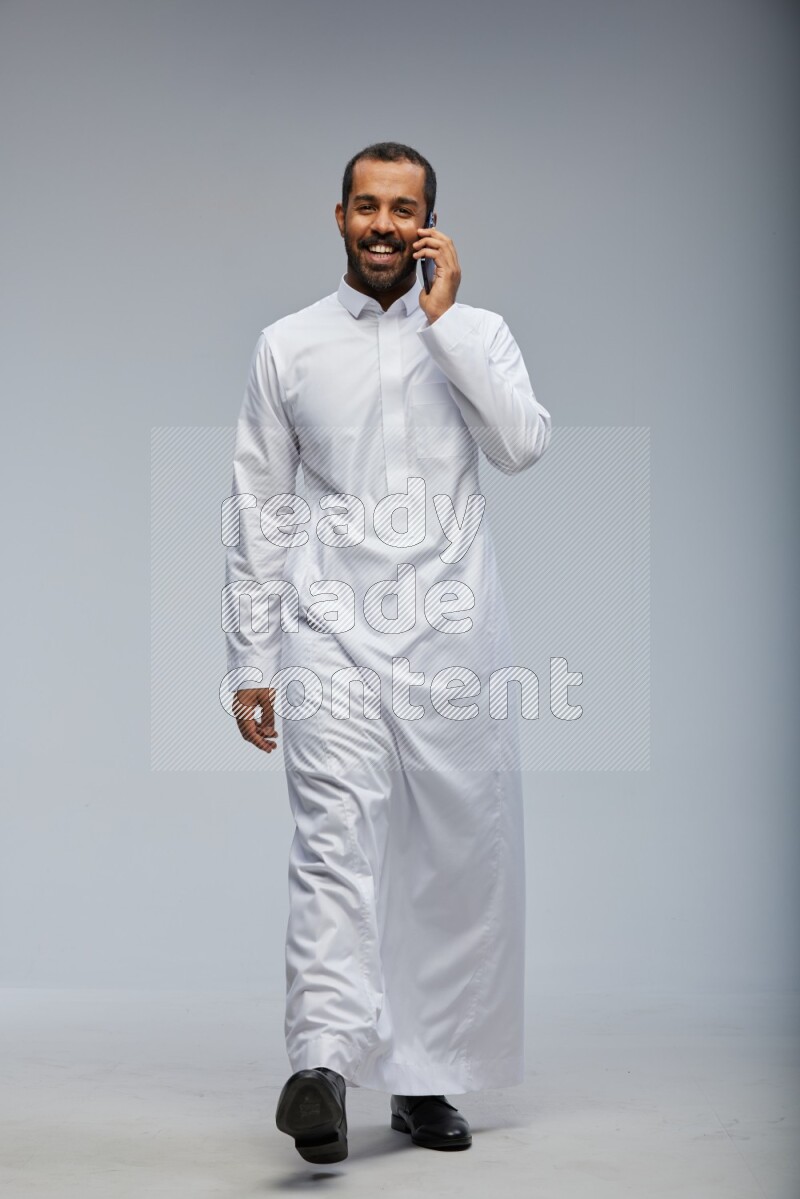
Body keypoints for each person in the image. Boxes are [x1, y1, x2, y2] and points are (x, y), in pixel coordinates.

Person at [223, 141, 552, 1162]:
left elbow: (520, 443)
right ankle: (321, 1062)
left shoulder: (478, 333)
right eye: (364, 205)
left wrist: (444, 321)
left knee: (451, 861)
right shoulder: (287, 344)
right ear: (337, 217)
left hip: (452, 634)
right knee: (332, 846)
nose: (380, 223)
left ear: (428, 224)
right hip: (328, 633)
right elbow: (257, 508)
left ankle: (423, 1077)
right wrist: (251, 661)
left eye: (400, 208)